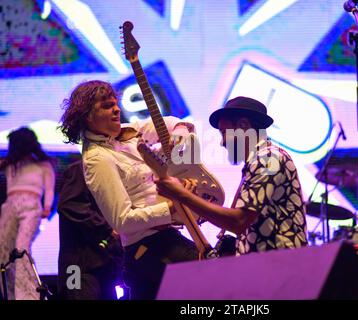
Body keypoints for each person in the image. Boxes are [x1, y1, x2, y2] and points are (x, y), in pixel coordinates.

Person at [58, 80, 198, 300]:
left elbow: (171, 123)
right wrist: (170, 209)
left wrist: (179, 138)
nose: (115, 109)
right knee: (212, 275)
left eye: (115, 103)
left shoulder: (126, 134)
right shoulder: (97, 159)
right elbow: (121, 221)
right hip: (146, 248)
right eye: (106, 106)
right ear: (88, 116)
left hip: (161, 240)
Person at [155, 96, 308, 255]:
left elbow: (238, 221)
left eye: (224, 132)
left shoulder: (269, 158)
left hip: (282, 267)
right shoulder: (260, 161)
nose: (222, 142)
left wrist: (181, 194)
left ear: (243, 126)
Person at [0, 127, 55, 300]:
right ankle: (9, 293)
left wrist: (47, 206)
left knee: (21, 249)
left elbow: (50, 188)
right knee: (2, 251)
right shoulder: (11, 165)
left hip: (31, 206)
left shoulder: (44, 165)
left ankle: (28, 295)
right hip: (10, 206)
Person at [57, 160, 124, 300]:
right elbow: (69, 205)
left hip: (103, 265)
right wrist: (106, 229)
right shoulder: (80, 170)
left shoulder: (107, 174)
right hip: (77, 267)